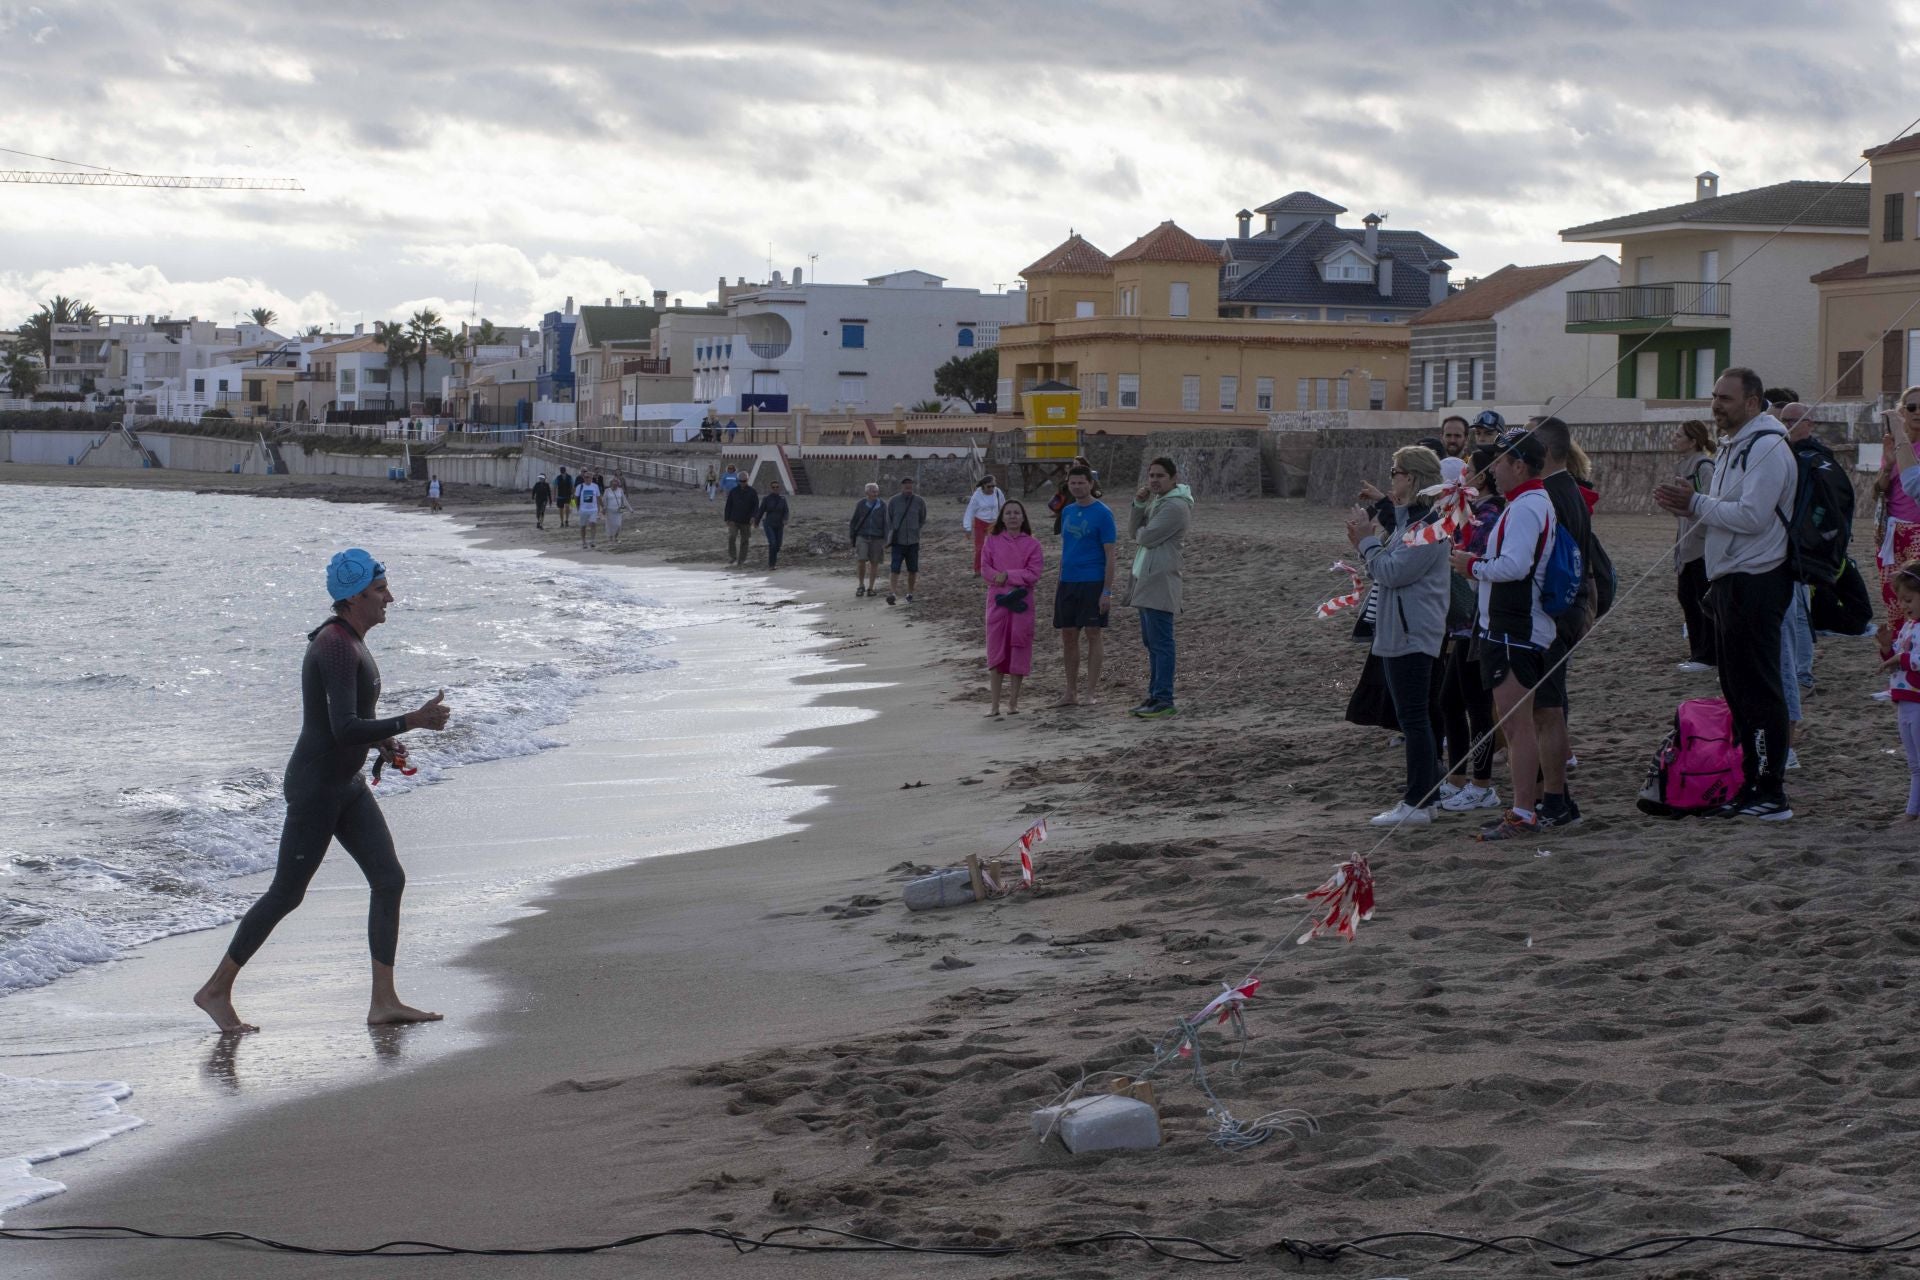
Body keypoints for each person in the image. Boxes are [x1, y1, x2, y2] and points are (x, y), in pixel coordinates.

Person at [192, 549, 451, 1035]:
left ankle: (383, 1001)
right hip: (316, 788)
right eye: (379, 591)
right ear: (353, 598)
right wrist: (412, 721)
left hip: (345, 785)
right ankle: (215, 990)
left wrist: (386, 740)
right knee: (286, 894)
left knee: (388, 879)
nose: (389, 598)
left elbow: (354, 723)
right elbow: (341, 727)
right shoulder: (334, 645)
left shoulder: (351, 640)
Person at [1654, 368, 1798, 820]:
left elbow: (1753, 517)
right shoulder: (1735, 445)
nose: (1716, 405)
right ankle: (1750, 783)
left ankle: (1771, 791)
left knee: (1759, 688)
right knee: (1736, 688)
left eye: (1726, 398)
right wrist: (1691, 502)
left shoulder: (1768, 447)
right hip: (1730, 578)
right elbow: (1727, 513)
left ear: (1753, 402)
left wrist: (1694, 504)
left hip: (1757, 577)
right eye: (1714, 397)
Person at [1451, 428, 1556, 841]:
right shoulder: (1527, 503)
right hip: (1514, 626)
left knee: (1516, 726)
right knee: (1516, 725)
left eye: (1499, 461)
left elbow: (1514, 566)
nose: (1492, 469)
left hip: (1515, 628)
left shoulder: (1528, 506)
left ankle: (1523, 812)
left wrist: (1471, 566)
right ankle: (1523, 809)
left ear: (1520, 464)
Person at [1350, 446, 1452, 826]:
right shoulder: (1412, 522)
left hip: (1413, 634)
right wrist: (1366, 545)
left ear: (1410, 477)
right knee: (1418, 717)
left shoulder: (1427, 527)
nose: (1391, 477)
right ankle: (1427, 798)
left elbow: (1391, 573)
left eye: (1394, 471)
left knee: (1415, 720)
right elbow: (1386, 568)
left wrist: (1366, 540)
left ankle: (1416, 802)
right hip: (1403, 630)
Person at [1527, 417, 1592, 830]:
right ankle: (1555, 796)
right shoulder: (1570, 490)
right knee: (1548, 708)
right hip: (1567, 610)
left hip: (1553, 614)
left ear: (1545, 453)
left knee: (1546, 711)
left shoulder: (1551, 494)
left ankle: (1554, 800)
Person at [1438, 444, 1506, 813]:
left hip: (1477, 622)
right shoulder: (1474, 511)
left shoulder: (1490, 515)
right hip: (1462, 626)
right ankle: (1457, 778)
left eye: (1470, 469)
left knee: (1478, 707)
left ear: (1482, 475)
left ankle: (1482, 785)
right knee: (1449, 702)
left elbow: (1468, 562)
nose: (1464, 475)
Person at [1127, 457, 1193, 719]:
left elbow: (1147, 537)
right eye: (1151, 475)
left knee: (1162, 643)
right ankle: (1155, 695)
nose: (1154, 480)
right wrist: (1140, 504)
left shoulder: (1175, 506)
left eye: (1160, 476)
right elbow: (1135, 531)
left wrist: (1143, 531)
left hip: (1160, 581)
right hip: (1146, 579)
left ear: (1173, 478)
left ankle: (1164, 698)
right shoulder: (1158, 501)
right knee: (1152, 642)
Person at [1052, 464, 1117, 707]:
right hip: (1068, 581)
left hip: (1093, 581)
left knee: (1093, 633)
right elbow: (1065, 551)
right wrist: (1058, 583)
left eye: (1081, 482)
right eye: (1073, 482)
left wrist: (1107, 591)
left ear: (1090, 484)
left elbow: (1110, 554)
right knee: (1068, 635)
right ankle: (1070, 692)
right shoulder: (1067, 511)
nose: (1077, 486)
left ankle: (1090, 692)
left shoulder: (1103, 513)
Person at [980, 499, 1043, 716]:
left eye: (1017, 513)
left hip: (1022, 603)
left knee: (1019, 647)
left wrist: (1009, 575)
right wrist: (1000, 579)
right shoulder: (992, 541)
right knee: (996, 650)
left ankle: (1013, 702)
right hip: (997, 601)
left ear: (1023, 517)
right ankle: (994, 705)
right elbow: (985, 569)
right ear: (1002, 517)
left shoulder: (1033, 544)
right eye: (1008, 513)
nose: (1013, 516)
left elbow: (1034, 574)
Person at [1672, 419, 1718, 673]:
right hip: (1685, 543)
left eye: (1679, 436)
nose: (1674, 439)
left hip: (1700, 545)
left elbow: (1708, 504)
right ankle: (1697, 653)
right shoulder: (1682, 465)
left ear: (1693, 441)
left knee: (1701, 599)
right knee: (1687, 598)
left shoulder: (1703, 466)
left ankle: (1708, 656)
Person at [1878, 560, 1920, 821]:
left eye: (1909, 599)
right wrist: (1886, 649)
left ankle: (1911, 813)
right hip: (1905, 700)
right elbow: (1901, 656)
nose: (1904, 606)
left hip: (1916, 701)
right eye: (1902, 600)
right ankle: (1912, 812)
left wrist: (1896, 659)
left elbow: (1914, 660)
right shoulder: (1910, 626)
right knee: (1914, 764)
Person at [1876, 387, 1920, 629]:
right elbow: (1879, 491)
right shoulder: (1893, 446)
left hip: (1918, 530)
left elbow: (1915, 484)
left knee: (1916, 592)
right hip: (1893, 533)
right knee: (1895, 598)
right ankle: (1898, 654)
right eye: (1912, 407)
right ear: (1902, 412)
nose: (1918, 412)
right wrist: (1887, 466)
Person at [885, 475, 928, 605]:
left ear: (913, 486)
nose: (908, 486)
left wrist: (915, 529)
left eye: (910, 484)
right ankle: (892, 593)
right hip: (898, 541)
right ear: (901, 486)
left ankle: (910, 593)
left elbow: (922, 518)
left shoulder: (919, 501)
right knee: (895, 568)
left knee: (912, 569)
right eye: (905, 484)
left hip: (913, 541)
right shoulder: (893, 501)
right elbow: (889, 519)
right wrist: (893, 532)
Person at [849, 481, 890, 595]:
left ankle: (871, 588)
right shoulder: (861, 504)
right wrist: (852, 537)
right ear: (867, 492)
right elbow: (854, 521)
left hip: (877, 538)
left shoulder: (882, 505)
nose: (875, 493)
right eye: (873, 491)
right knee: (861, 560)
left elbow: (886, 523)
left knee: (874, 562)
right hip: (862, 536)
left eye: (877, 491)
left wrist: (886, 540)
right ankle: (861, 585)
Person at [963, 475, 1005, 576]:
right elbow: (969, 511)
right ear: (983, 486)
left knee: (996, 547)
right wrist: (967, 528)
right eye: (989, 486)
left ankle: (996, 567)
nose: (991, 488)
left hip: (994, 523)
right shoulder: (977, 496)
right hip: (980, 522)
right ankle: (978, 570)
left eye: (993, 486)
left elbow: (1004, 506)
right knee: (980, 547)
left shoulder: (998, 492)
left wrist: (1005, 521)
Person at [724, 467, 759, 565]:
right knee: (732, 537)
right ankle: (733, 556)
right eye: (741, 481)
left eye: (744, 481)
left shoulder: (752, 492)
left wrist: (753, 517)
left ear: (747, 480)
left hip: (746, 521)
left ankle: (741, 560)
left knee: (745, 540)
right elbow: (728, 505)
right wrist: (727, 518)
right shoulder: (733, 491)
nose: (743, 482)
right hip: (733, 520)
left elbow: (756, 506)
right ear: (738, 481)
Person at [755, 478, 790, 568]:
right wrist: (756, 522)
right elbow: (761, 511)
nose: (775, 488)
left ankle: (772, 556)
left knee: (778, 545)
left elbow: (786, 511)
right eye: (773, 487)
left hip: (779, 525)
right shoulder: (767, 499)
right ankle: (772, 564)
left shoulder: (782, 499)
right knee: (773, 543)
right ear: (771, 488)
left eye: (777, 487)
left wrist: (785, 519)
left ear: (779, 488)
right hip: (769, 524)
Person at [575, 472, 601, 549]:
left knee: (593, 524)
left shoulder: (595, 486)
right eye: (586, 477)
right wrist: (577, 507)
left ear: (592, 478)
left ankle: (592, 541)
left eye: (589, 477)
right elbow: (576, 497)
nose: (587, 478)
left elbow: (598, 497)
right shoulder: (580, 486)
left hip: (593, 509)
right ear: (583, 478)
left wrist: (601, 507)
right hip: (583, 509)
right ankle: (584, 542)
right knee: (583, 526)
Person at [604, 476, 629, 547]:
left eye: (616, 482)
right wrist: (603, 508)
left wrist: (630, 509)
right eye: (613, 481)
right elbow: (604, 500)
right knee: (610, 526)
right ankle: (610, 540)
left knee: (618, 525)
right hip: (609, 511)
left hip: (618, 511)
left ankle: (616, 537)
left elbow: (624, 500)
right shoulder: (607, 490)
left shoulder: (620, 490)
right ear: (611, 483)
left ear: (618, 483)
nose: (615, 483)